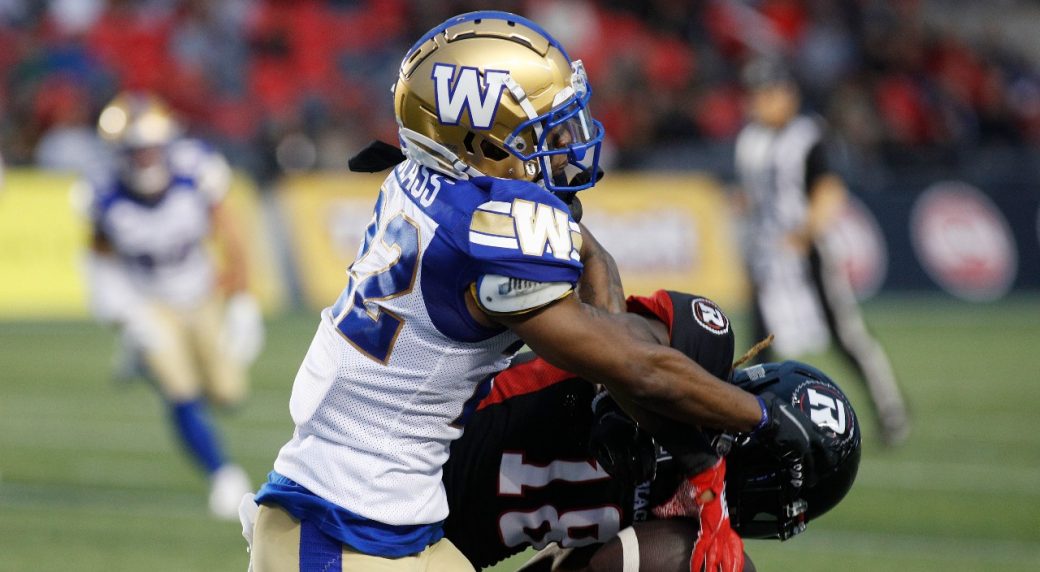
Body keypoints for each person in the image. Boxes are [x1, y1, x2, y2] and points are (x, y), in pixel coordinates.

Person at [245, 12, 836, 572]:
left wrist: (611, 386)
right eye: (544, 131)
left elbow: (592, 254)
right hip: (342, 532)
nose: (568, 142)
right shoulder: (487, 231)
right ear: (484, 146)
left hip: (390, 520)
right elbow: (642, 368)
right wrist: (760, 416)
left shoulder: (428, 178)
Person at [442, 290, 861, 571]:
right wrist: (610, 399)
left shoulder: (682, 516)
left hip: (444, 546)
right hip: (435, 454)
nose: (757, 517)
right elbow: (629, 351)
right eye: (773, 503)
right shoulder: (702, 347)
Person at [84, 92, 263, 520]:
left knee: (228, 393)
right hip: (148, 301)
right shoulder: (102, 190)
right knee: (180, 388)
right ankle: (222, 473)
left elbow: (230, 234)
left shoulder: (195, 168)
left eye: (150, 147)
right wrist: (125, 315)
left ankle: (148, 362)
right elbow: (101, 261)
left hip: (199, 293)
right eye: (135, 149)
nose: (144, 157)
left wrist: (242, 299)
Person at [732, 58, 910, 446]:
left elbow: (828, 190)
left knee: (844, 334)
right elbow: (750, 196)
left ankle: (891, 408)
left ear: (787, 94)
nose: (758, 101)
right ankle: (758, 423)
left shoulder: (808, 136)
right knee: (762, 342)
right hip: (767, 257)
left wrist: (805, 233)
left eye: (766, 93)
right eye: (755, 93)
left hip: (807, 252)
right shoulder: (750, 142)